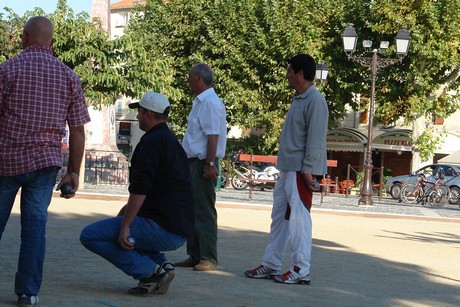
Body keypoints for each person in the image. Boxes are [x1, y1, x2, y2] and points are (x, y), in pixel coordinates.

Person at [0, 16, 90, 305]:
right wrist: (73, 173)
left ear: (25, 37)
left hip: (6, 161)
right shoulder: (69, 76)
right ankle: (28, 292)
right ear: (51, 42)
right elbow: (77, 129)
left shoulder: (6, 70)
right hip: (45, 164)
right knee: (35, 228)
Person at [80, 91, 194, 296]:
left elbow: (140, 189)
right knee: (126, 228)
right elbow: (156, 188)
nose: (137, 116)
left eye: (139, 112)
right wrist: (125, 214)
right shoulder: (171, 142)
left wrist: (125, 225)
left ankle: (150, 272)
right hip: (180, 227)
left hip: (162, 227)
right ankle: (162, 265)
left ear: (148, 113)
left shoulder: (150, 143)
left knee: (90, 235)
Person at [244, 54, 328, 284]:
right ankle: (271, 264)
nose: (287, 74)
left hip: (301, 170)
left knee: (300, 220)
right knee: (280, 218)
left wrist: (308, 170)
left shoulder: (315, 100)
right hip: (288, 167)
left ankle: (301, 269)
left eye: (290, 70)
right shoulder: (299, 98)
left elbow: (316, 139)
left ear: (300, 73)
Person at [176, 63, 227, 271]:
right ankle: (195, 254)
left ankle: (208, 257)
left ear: (199, 78)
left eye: (190, 76)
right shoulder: (201, 102)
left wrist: (210, 163)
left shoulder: (210, 103)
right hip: (194, 161)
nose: (187, 79)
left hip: (203, 162)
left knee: (204, 210)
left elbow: (212, 134)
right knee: (192, 209)